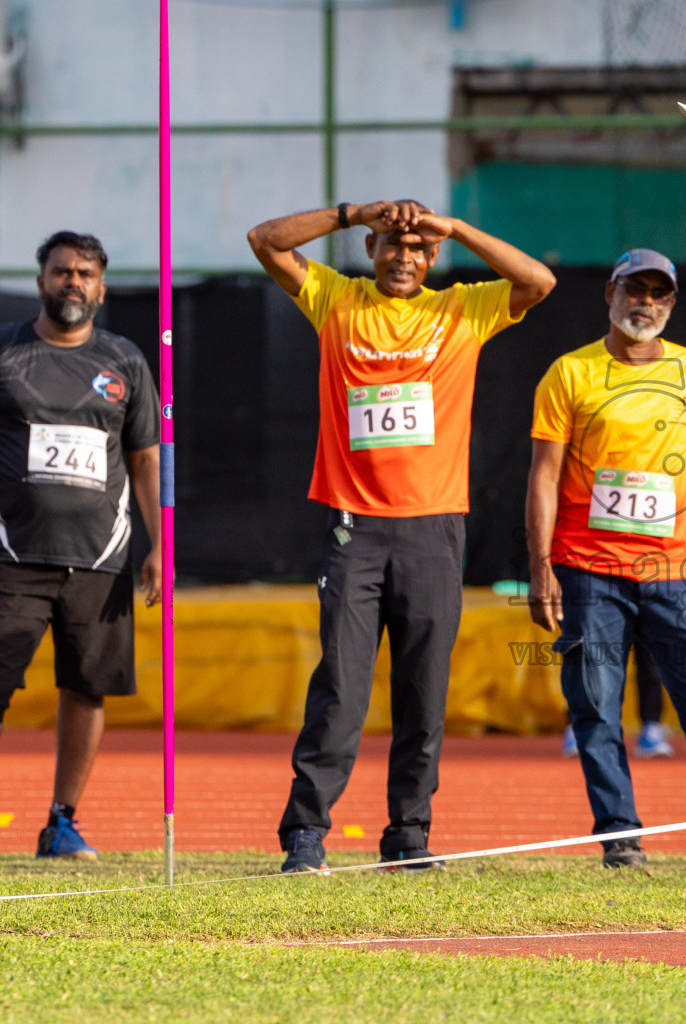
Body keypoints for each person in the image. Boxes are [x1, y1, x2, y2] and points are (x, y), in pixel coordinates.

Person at [248, 199, 554, 873]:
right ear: (370, 249)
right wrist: (351, 210)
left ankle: (409, 835)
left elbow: (539, 282)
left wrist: (460, 227)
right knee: (342, 690)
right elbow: (266, 240)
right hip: (354, 528)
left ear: (433, 257)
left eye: (418, 248)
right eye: (391, 244)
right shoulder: (336, 299)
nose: (404, 256)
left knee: (424, 692)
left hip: (435, 528)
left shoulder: (462, 310)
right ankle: (305, 833)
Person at [0, 231, 161, 863]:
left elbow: (144, 459)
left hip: (101, 559)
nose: (72, 282)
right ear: (41, 281)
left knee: (87, 690)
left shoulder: (126, 361)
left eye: (84, 273)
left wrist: (161, 543)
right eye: (61, 272)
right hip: (10, 556)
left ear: (101, 289)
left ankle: (62, 822)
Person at [526, 249, 686, 868]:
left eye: (659, 293)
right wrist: (540, 566)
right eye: (634, 290)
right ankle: (620, 837)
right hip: (589, 571)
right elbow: (543, 475)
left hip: (676, 573)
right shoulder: (569, 373)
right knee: (594, 704)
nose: (646, 303)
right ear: (611, 294)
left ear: (671, 303)